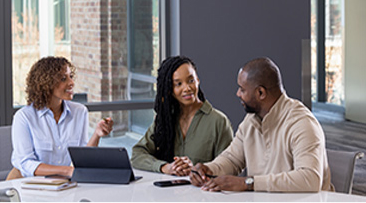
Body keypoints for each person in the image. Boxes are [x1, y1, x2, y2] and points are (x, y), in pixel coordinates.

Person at [190, 57, 333, 192]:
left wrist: (247, 183)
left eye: (242, 89)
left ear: (260, 92)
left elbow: (310, 179)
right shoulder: (251, 120)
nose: (237, 93)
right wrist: (207, 170)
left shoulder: (302, 123)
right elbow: (232, 159)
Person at [11, 56, 113, 177]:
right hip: (30, 184)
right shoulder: (24, 117)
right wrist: (66, 170)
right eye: (63, 79)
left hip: (63, 185)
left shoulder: (80, 112)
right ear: (46, 83)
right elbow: (26, 163)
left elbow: (83, 158)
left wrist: (97, 134)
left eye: (71, 77)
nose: (71, 83)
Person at [131, 56, 233, 176]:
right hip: (165, 193)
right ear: (170, 90)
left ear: (198, 81)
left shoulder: (219, 121)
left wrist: (199, 171)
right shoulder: (165, 120)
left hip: (205, 193)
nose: (187, 88)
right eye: (178, 84)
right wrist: (165, 167)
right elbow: (137, 155)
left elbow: (229, 167)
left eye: (191, 81)